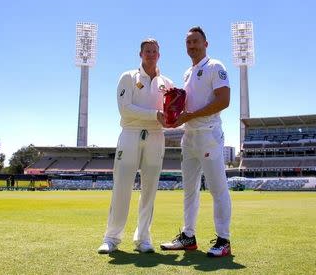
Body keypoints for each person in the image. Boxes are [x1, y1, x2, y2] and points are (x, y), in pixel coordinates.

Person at [160, 26, 232, 257]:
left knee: (217, 189)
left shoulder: (215, 67)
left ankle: (224, 240)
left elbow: (224, 101)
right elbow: (188, 105)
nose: (192, 46)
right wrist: (176, 105)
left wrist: (192, 115)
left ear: (206, 44)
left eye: (196, 41)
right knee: (189, 190)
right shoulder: (187, 73)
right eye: (188, 43)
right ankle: (188, 237)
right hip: (189, 136)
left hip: (208, 134)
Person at [98, 38, 173, 254]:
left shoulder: (166, 83)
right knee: (122, 186)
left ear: (159, 55)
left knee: (150, 189)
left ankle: (143, 238)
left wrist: (171, 117)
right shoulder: (128, 77)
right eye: (147, 51)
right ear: (140, 54)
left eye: (154, 51)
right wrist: (156, 115)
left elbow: (169, 113)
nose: (151, 54)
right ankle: (111, 238)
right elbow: (125, 109)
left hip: (156, 136)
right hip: (130, 134)